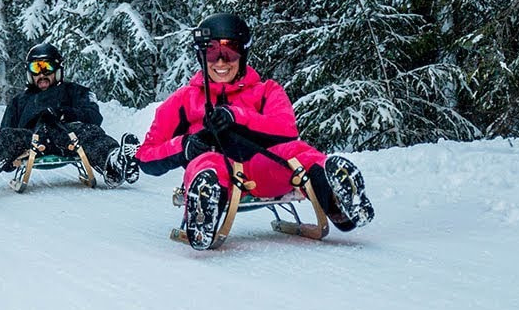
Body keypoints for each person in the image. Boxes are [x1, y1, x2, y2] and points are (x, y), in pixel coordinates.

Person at [135, 13, 374, 250]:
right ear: (201, 56)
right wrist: (184, 146)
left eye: (229, 51)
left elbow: (286, 129)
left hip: (260, 170)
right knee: (208, 163)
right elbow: (145, 156)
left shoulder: (266, 91)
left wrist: (236, 117)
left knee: (295, 152)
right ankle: (204, 211)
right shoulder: (183, 101)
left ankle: (337, 200)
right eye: (212, 52)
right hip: (216, 170)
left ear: (243, 54)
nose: (220, 61)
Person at [0, 43, 140, 188]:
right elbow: (5, 133)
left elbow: (94, 117)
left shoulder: (75, 91)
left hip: (69, 136)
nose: (41, 74)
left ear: (57, 69)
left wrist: (66, 113)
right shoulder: (19, 101)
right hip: (31, 141)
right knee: (9, 136)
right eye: (35, 68)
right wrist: (10, 161)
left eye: (46, 67)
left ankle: (116, 163)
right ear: (29, 73)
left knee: (89, 131)